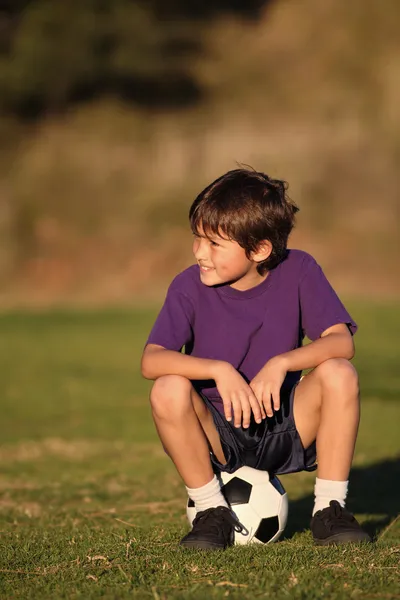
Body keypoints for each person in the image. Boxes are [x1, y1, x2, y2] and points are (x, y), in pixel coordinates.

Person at [141, 168, 371, 550]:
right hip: (217, 434)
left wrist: (282, 363)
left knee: (339, 373)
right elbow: (152, 360)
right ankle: (211, 511)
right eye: (197, 238)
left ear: (260, 249)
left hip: (283, 421)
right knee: (168, 388)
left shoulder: (299, 270)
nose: (200, 252)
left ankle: (329, 510)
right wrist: (218, 369)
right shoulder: (187, 286)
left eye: (214, 244)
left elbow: (341, 341)